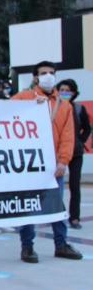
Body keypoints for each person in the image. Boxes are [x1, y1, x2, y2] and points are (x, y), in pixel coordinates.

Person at [12, 61, 83, 262]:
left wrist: (63, 161)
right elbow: (3, 115)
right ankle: (27, 247)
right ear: (35, 77)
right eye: (44, 73)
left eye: (52, 73)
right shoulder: (23, 99)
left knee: (56, 207)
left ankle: (61, 244)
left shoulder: (64, 105)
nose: (48, 76)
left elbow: (68, 136)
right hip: (29, 165)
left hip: (53, 167)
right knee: (27, 207)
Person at [56, 79, 91, 229]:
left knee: (75, 185)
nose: (64, 92)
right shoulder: (53, 108)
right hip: (58, 152)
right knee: (57, 186)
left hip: (76, 153)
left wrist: (80, 141)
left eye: (68, 90)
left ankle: (74, 217)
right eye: (61, 89)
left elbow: (87, 128)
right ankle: (57, 215)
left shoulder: (79, 108)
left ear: (74, 92)